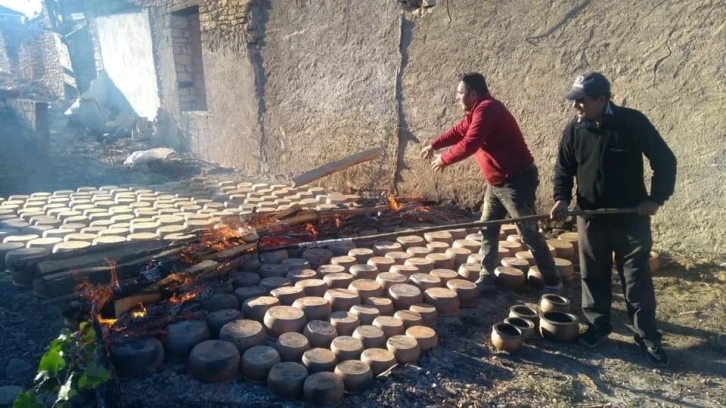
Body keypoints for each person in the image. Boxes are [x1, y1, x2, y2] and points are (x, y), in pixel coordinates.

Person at [550, 72, 677, 367]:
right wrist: (562, 198)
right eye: (574, 100)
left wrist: (656, 199)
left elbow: (665, 160)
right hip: (590, 217)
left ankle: (646, 336)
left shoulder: (631, 123)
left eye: (581, 100)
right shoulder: (574, 130)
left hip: (630, 217)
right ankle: (598, 326)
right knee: (592, 273)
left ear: (601, 100)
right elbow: (563, 168)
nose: (575, 106)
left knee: (636, 279)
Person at [421, 72, 562, 294]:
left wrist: (445, 158)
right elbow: (460, 131)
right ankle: (487, 277)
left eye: (460, 93)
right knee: (488, 227)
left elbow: (471, 142)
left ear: (473, 94)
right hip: (496, 181)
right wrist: (434, 144)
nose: (456, 98)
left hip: (516, 180)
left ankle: (553, 281)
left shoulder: (488, 109)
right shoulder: (476, 112)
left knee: (528, 232)